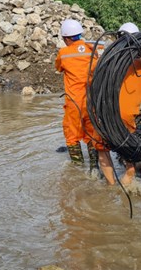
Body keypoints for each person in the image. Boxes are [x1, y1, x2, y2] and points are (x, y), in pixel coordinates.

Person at [55, 19, 115, 184]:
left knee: (72, 136)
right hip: (91, 102)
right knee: (92, 136)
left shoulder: (64, 53)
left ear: (66, 38)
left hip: (74, 103)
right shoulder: (92, 50)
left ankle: (77, 172)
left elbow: (59, 67)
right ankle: (94, 169)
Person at [117, 22, 141, 186]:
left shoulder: (112, 63)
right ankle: (129, 171)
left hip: (110, 112)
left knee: (105, 146)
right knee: (127, 141)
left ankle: (115, 180)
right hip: (130, 113)